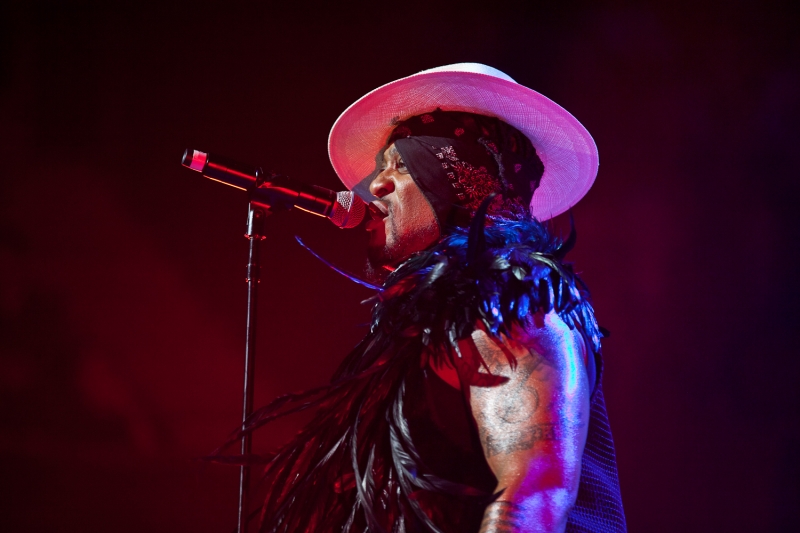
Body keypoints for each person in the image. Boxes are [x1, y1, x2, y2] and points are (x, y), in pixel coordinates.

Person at [228, 64, 626, 533]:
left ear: (456, 177)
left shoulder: (513, 299)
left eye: (399, 166)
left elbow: (530, 497)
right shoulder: (436, 320)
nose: (374, 187)